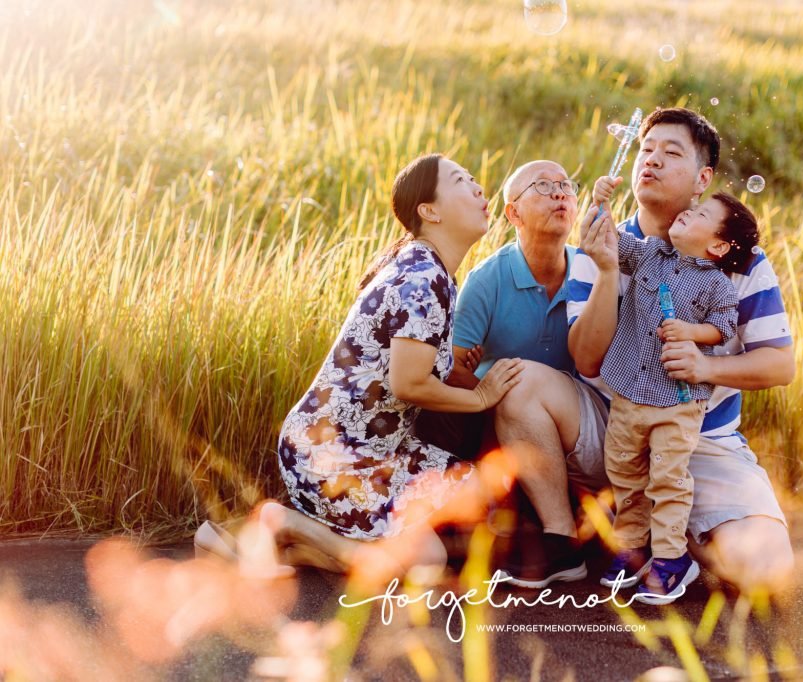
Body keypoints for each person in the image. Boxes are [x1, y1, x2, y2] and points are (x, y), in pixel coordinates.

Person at [195, 154, 524, 583]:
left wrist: (454, 366)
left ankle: (288, 552)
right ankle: (285, 523)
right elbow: (407, 384)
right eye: (462, 180)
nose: (480, 189)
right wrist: (481, 397)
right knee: (427, 561)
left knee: (484, 511)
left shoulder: (429, 269)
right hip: (332, 454)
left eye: (476, 180)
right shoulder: (423, 277)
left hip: (379, 452)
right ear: (430, 211)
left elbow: (400, 366)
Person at [568, 107, 796, 595]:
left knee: (767, 572)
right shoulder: (605, 240)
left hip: (704, 441)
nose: (651, 160)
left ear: (702, 179)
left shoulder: (738, 258)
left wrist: (705, 364)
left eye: (671, 153)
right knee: (526, 385)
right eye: (646, 150)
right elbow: (585, 361)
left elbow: (780, 364)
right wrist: (607, 271)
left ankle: (673, 535)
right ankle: (598, 528)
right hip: (618, 428)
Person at [417, 159, 611, 589]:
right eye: (542, 186)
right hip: (505, 426)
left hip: (575, 428)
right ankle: (492, 520)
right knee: (455, 409)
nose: (560, 193)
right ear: (513, 213)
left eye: (566, 185)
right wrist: (489, 391)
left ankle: (561, 521)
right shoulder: (486, 281)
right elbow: (453, 370)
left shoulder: (591, 271)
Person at [581, 176, 759, 603]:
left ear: (716, 247)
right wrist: (599, 202)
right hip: (630, 390)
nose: (688, 212)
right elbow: (609, 243)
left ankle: (671, 556)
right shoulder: (650, 255)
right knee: (624, 472)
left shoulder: (716, 283)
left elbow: (722, 327)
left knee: (667, 478)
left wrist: (691, 331)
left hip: (678, 402)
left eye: (700, 215)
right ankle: (631, 546)